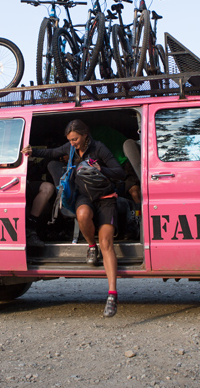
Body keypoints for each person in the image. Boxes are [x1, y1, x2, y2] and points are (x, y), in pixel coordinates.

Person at [21, 120, 125, 317]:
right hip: (84, 197)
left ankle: (112, 294)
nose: (73, 143)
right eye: (70, 140)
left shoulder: (100, 148)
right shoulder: (70, 149)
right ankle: (90, 246)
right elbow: (51, 153)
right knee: (83, 215)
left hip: (105, 199)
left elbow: (119, 172)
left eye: (75, 139)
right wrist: (32, 151)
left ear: (85, 135)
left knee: (107, 243)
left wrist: (100, 169)